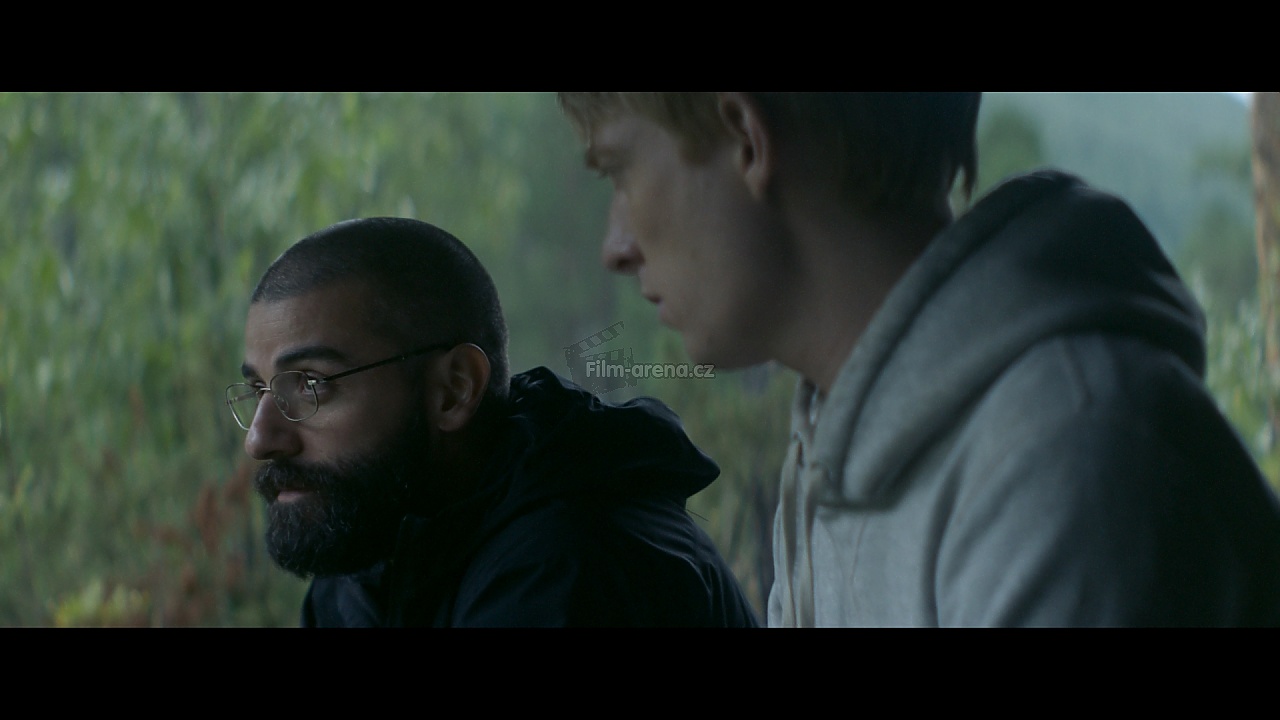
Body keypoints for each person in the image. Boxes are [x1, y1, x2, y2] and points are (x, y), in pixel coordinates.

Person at [557, 92, 1280, 626]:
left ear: (746, 137)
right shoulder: (837, 434)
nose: (615, 248)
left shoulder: (1072, 461)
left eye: (618, 171)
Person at [226, 216, 759, 627]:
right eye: (259, 390)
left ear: (454, 389)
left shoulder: (568, 568)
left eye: (310, 385)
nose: (259, 438)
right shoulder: (373, 538)